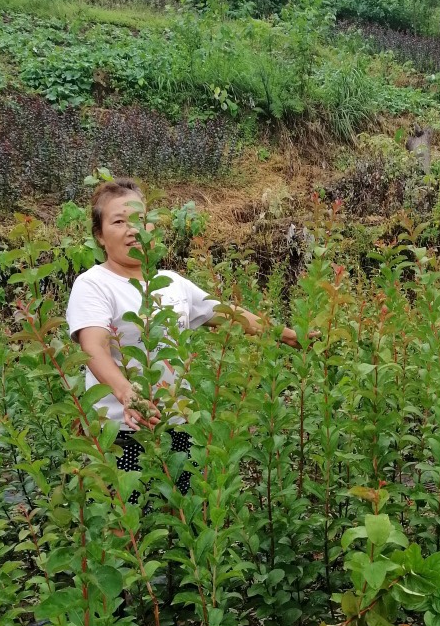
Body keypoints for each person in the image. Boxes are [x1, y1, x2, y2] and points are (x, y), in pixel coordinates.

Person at [65, 177, 301, 495]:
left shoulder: (171, 283)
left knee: (180, 522)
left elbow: (228, 313)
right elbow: (93, 346)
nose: (132, 230)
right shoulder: (94, 284)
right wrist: (127, 394)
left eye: (140, 219)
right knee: (125, 527)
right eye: (119, 221)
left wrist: (285, 335)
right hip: (121, 431)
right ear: (99, 235)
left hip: (177, 426)